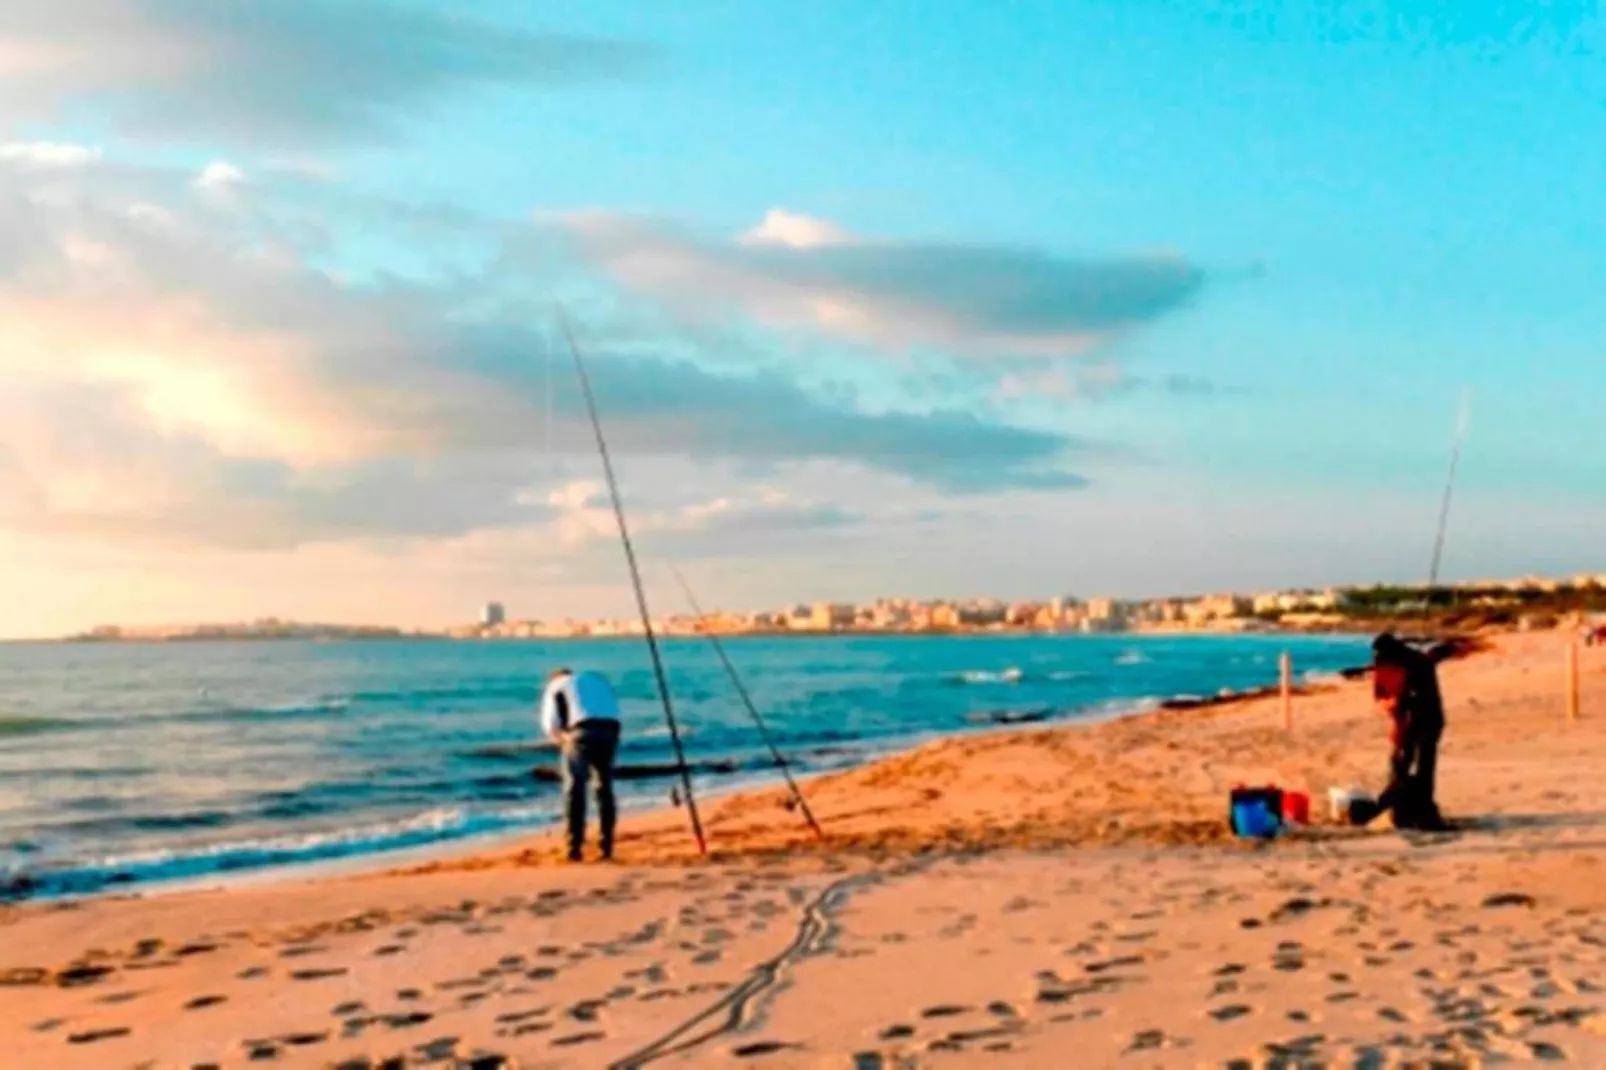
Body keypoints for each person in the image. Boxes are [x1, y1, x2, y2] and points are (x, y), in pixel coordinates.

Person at [1370, 633, 1451, 831]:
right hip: (1412, 721)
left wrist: (1396, 704)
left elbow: (1398, 698)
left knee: (1419, 765)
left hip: (1424, 719)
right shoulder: (1401, 663)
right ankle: (1403, 809)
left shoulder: (1415, 665)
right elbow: (1383, 697)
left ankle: (1416, 810)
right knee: (1407, 764)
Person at [540, 668, 622, 862]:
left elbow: (550, 724)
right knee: (604, 787)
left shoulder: (556, 686)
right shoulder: (595, 679)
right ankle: (606, 846)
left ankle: (574, 847)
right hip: (611, 728)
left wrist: (562, 741)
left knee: (575, 787)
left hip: (582, 730)